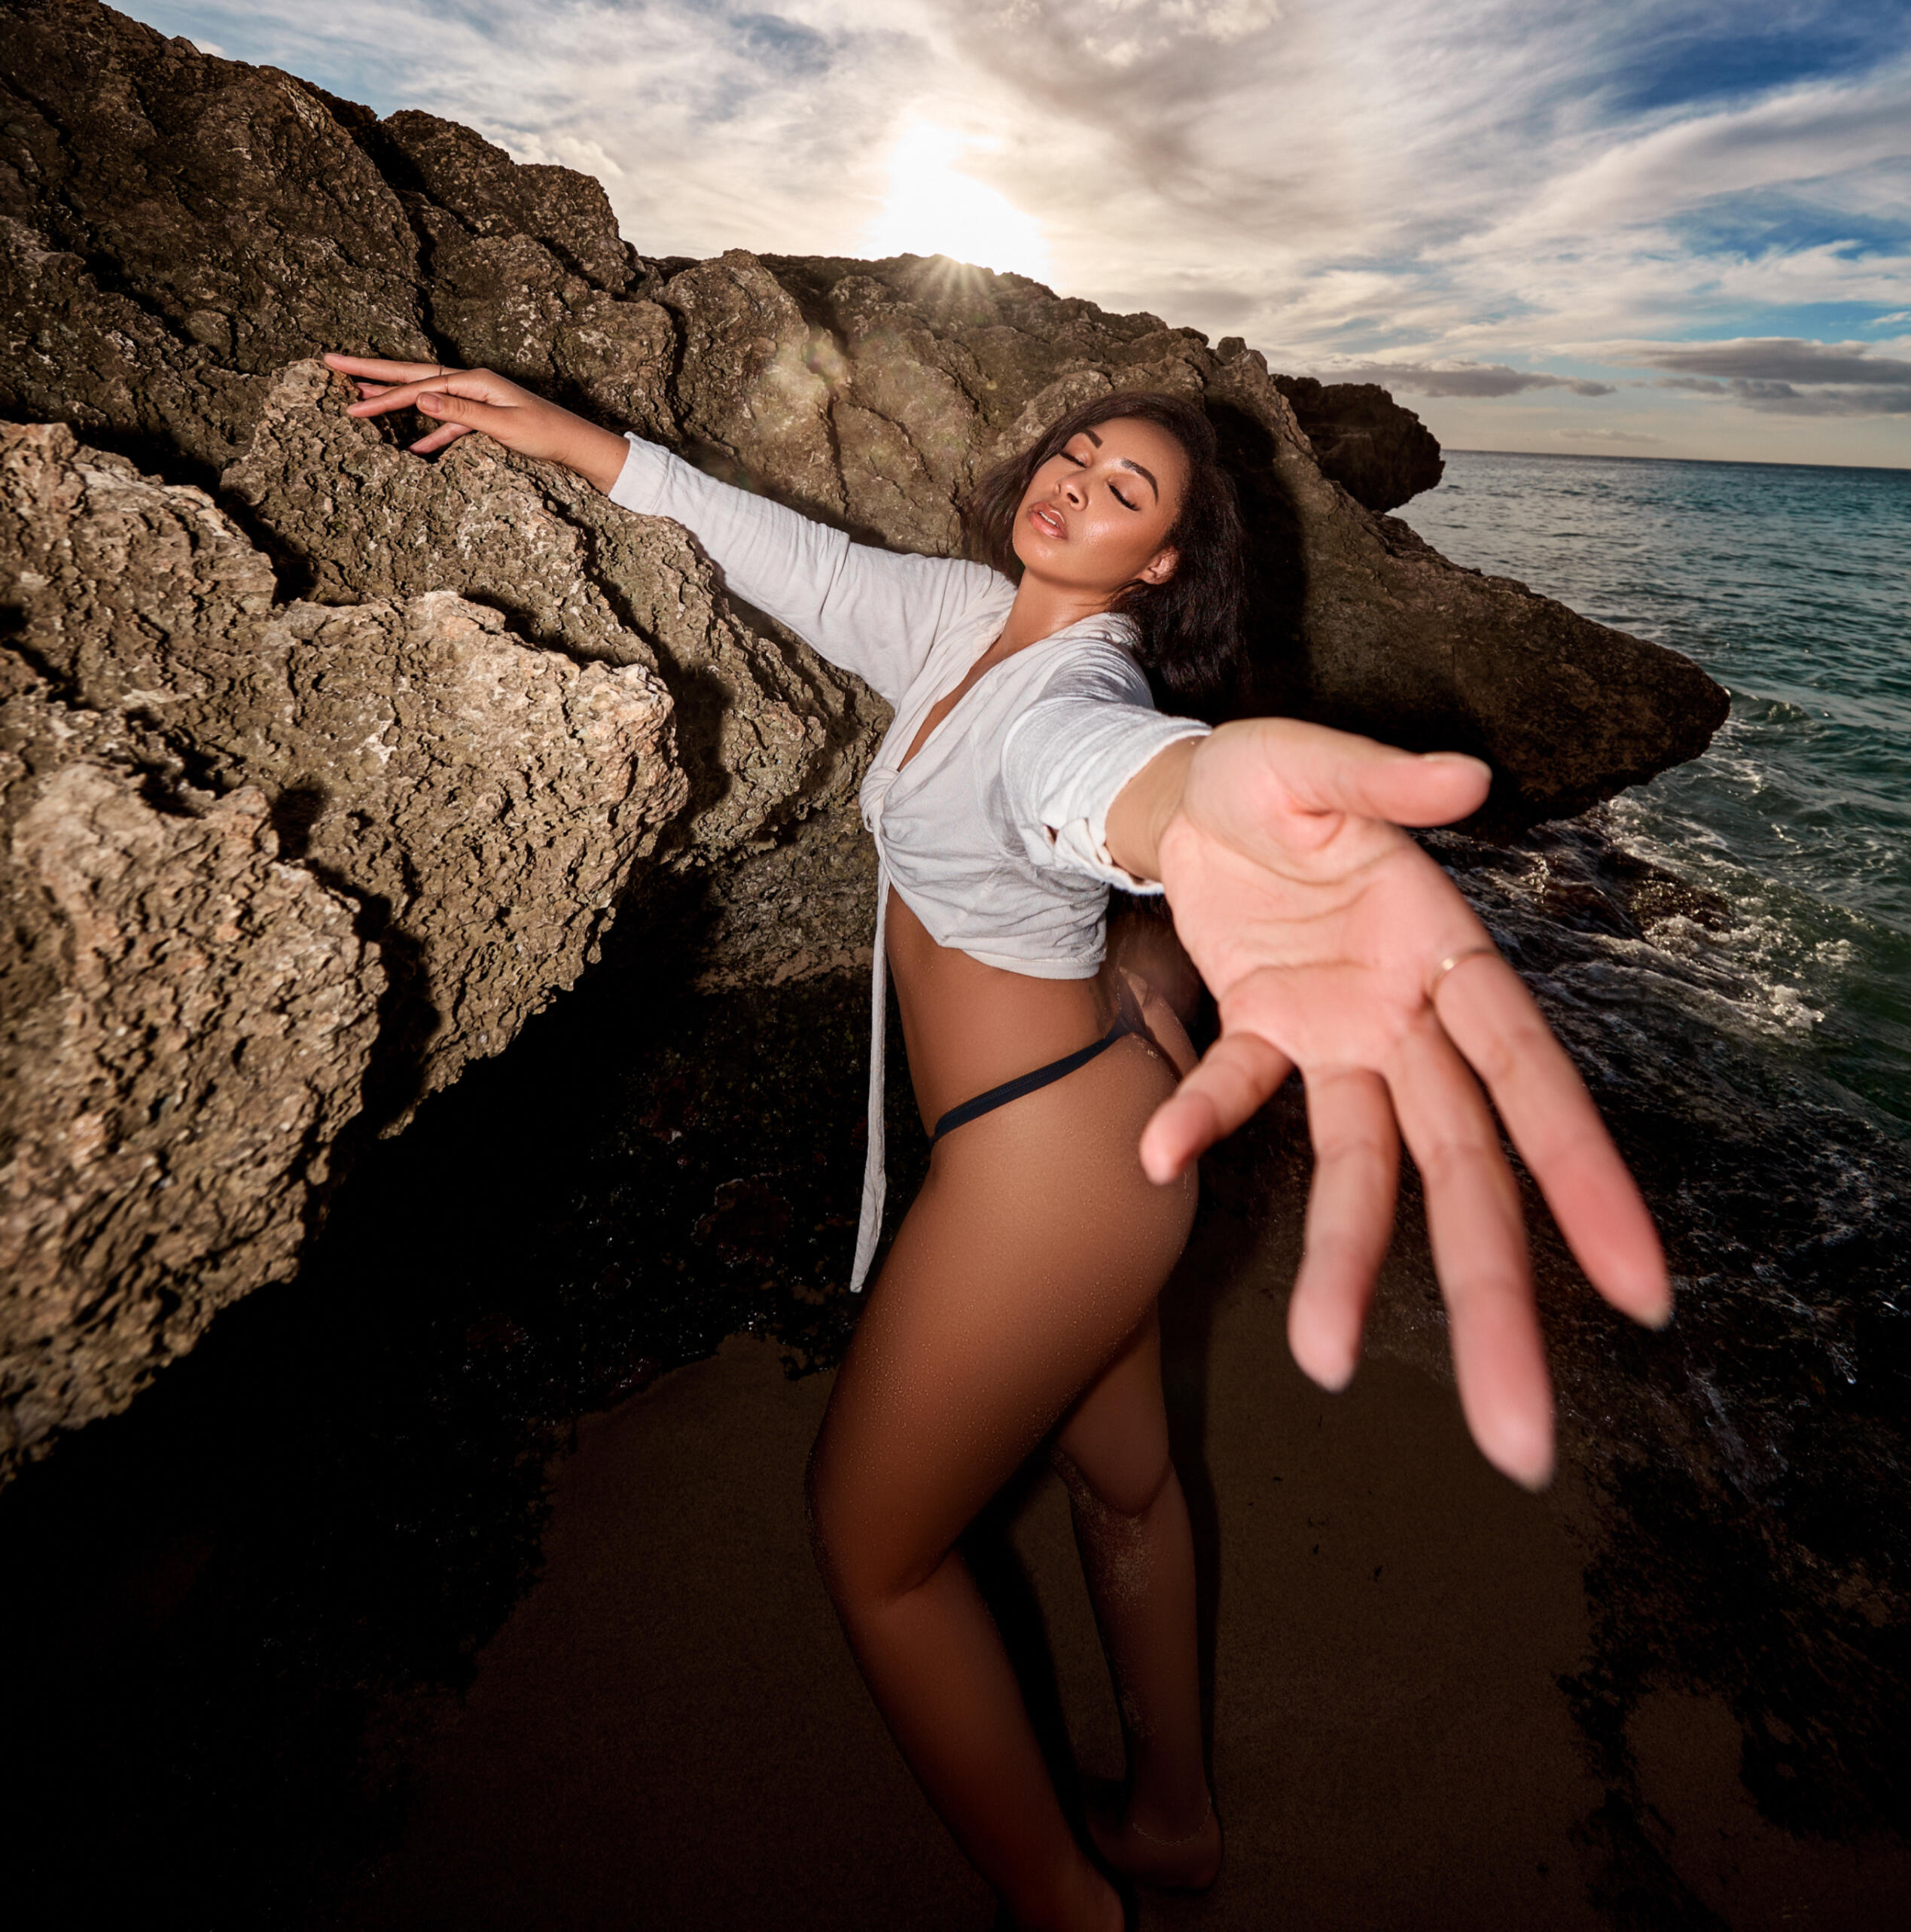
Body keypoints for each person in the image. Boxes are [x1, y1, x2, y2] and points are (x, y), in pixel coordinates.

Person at [324, 352, 1672, 1932]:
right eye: (1075, 455)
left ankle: (1062, 1904)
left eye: (1125, 492)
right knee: (1126, 1489)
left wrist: (1209, 807)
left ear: (1159, 566)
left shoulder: (1080, 700)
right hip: (1100, 1130)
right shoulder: (966, 620)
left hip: (1049, 1183)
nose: (1075, 486)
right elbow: (786, 554)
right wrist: (550, 428)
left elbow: (1109, 784)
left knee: (871, 1550)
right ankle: (1170, 1823)